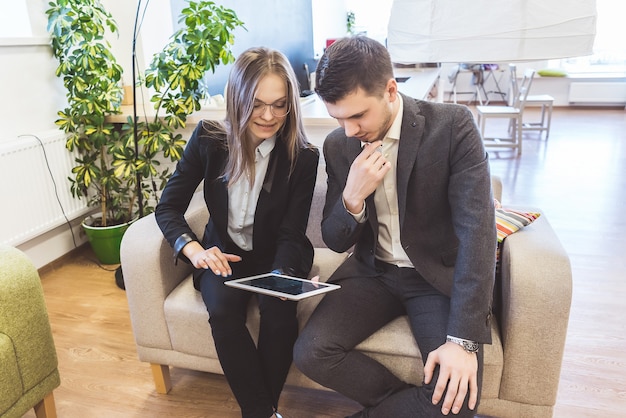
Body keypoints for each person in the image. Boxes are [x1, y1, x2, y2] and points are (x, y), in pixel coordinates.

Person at [293, 36, 496, 417]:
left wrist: (464, 341)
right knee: (310, 353)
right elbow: (336, 241)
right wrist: (352, 199)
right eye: (338, 118)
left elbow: (477, 233)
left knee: (456, 402)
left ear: (390, 90)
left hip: (434, 279)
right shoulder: (339, 145)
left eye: (358, 116)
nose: (349, 129)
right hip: (374, 274)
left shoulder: (452, 127)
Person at [155, 47, 319, 418]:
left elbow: (293, 232)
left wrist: (282, 276)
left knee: (279, 317)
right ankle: (264, 412)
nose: (268, 116)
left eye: (280, 105)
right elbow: (167, 207)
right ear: (237, 98)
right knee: (223, 312)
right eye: (257, 103)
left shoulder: (303, 155)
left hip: (277, 256)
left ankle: (258, 411)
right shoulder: (209, 139)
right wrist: (194, 250)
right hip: (222, 253)